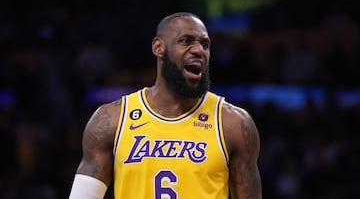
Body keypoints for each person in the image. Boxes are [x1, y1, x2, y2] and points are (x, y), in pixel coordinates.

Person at [69, 12, 262, 199]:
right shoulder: (112, 120)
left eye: (205, 44)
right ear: (158, 47)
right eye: (186, 41)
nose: (198, 50)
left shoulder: (233, 123)